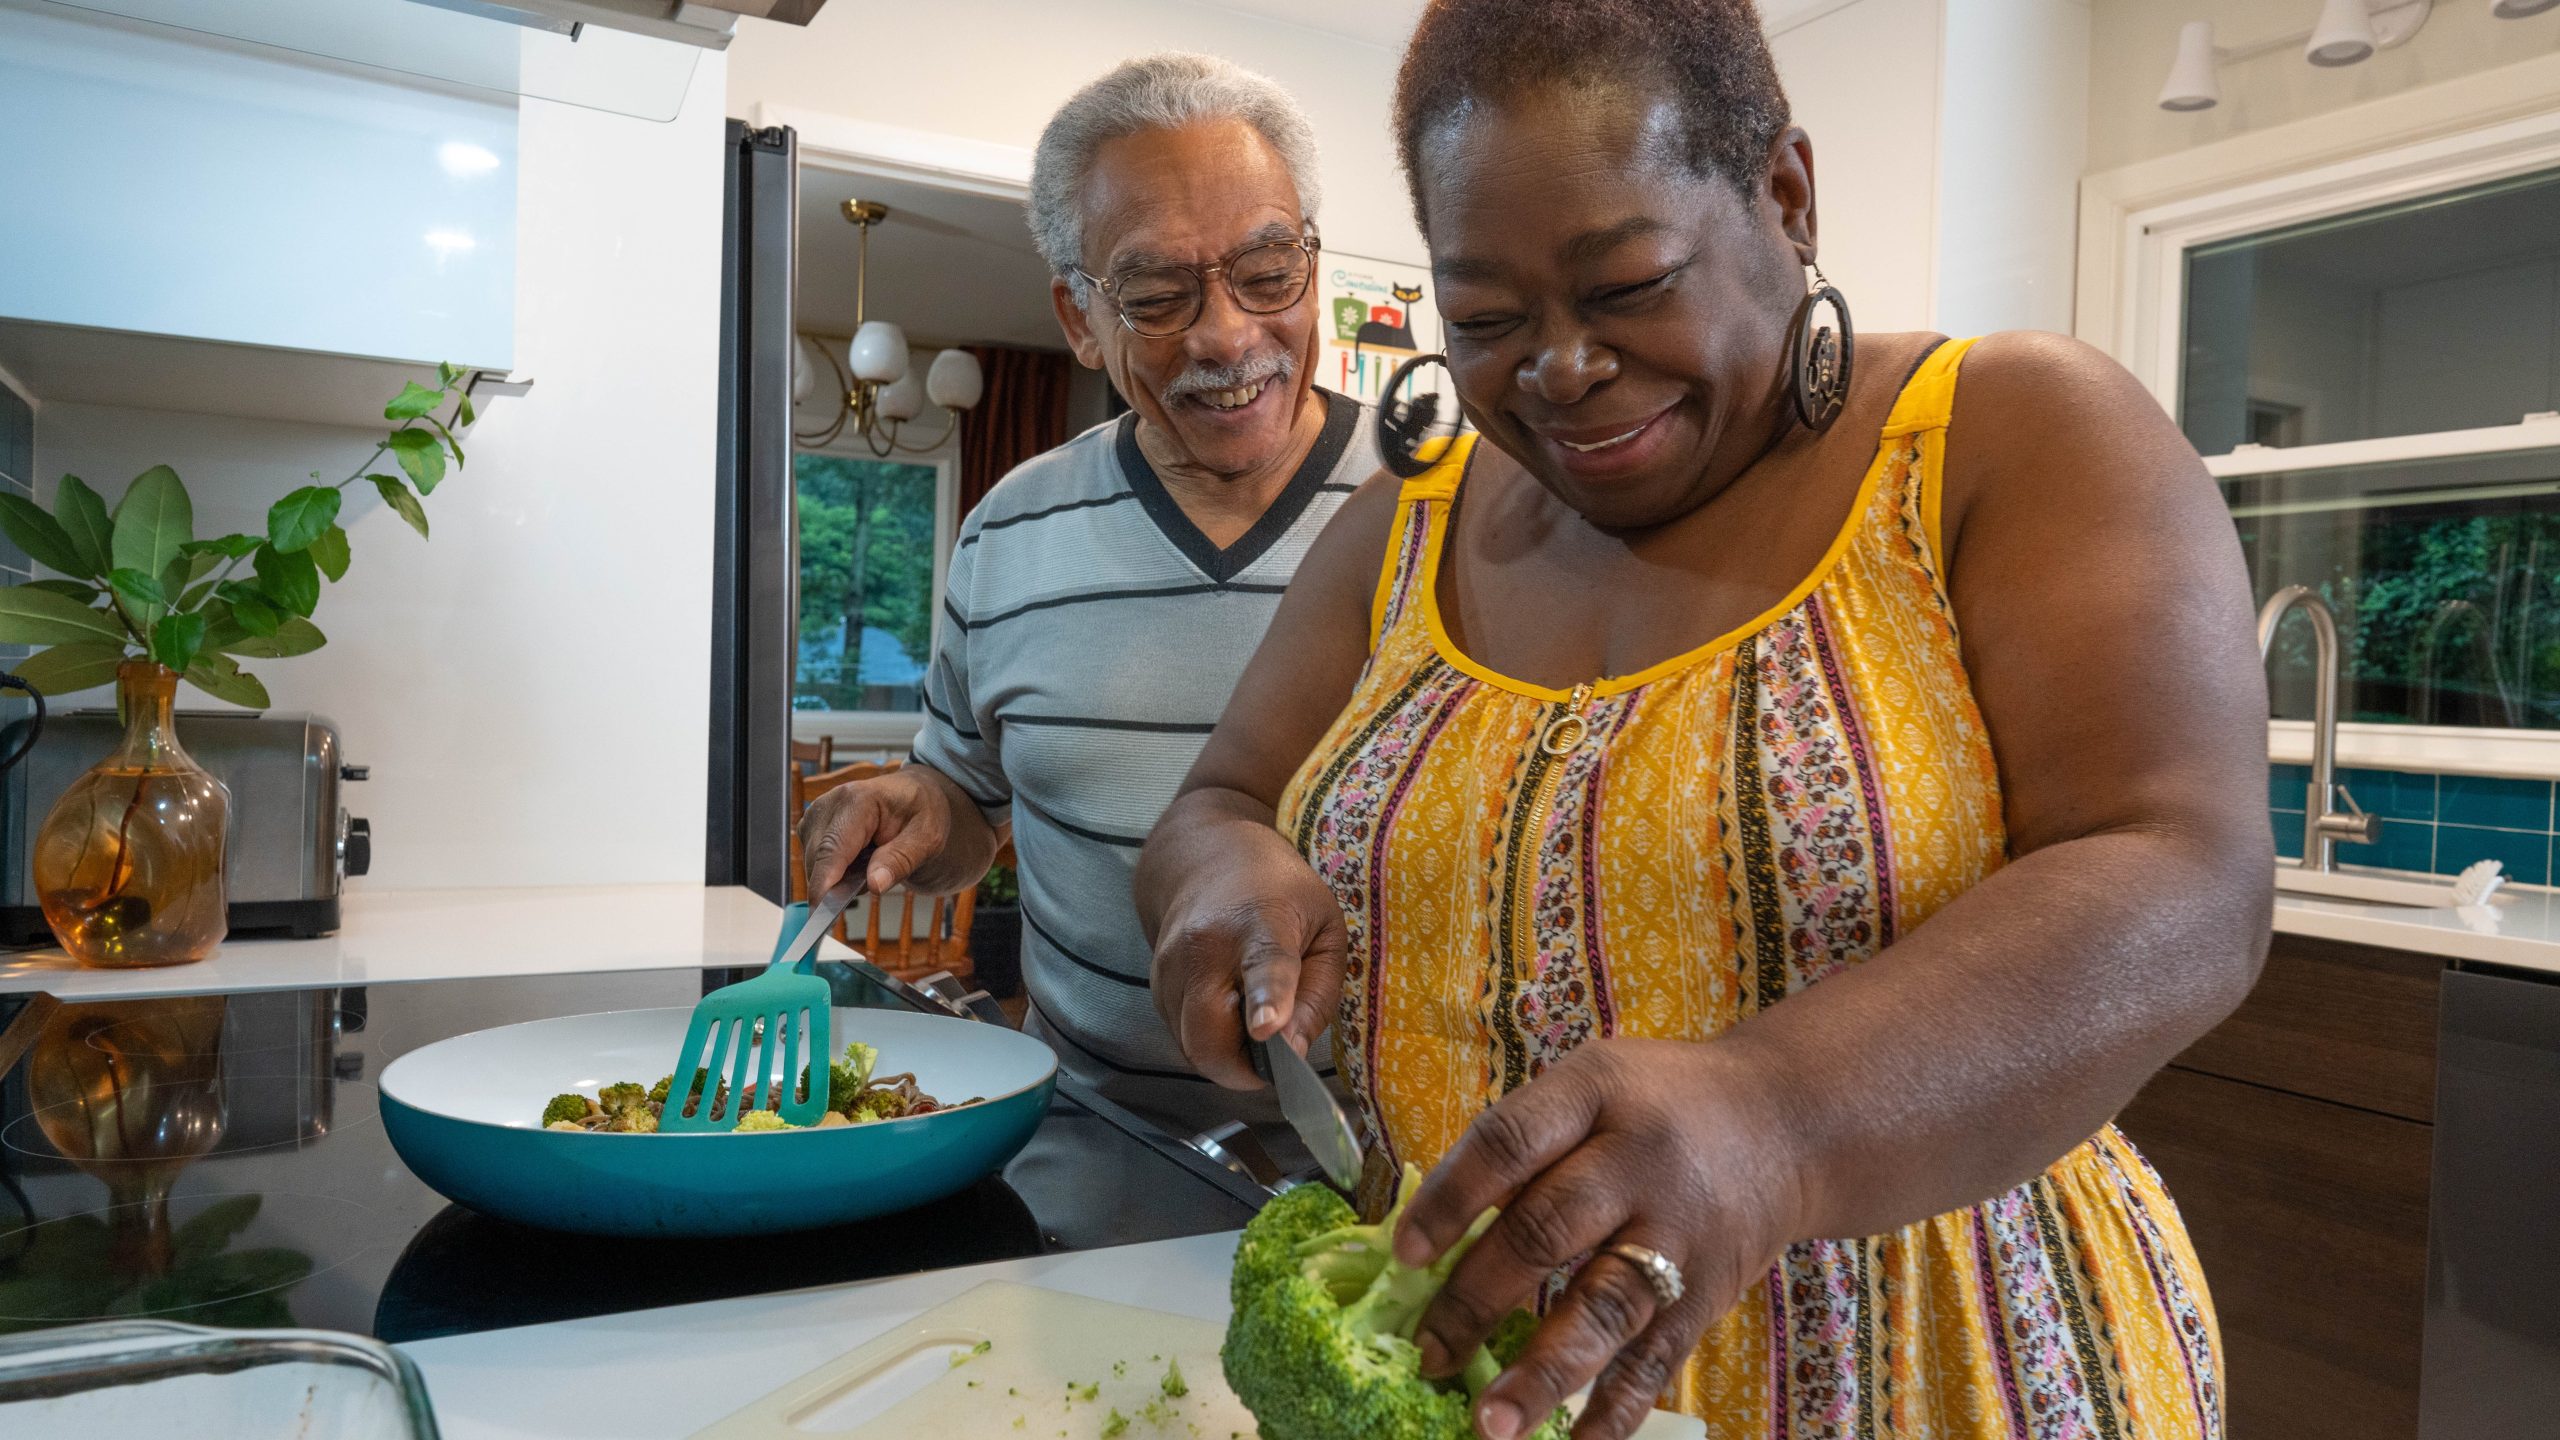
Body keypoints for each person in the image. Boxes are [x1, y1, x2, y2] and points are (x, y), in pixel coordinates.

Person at [1134, 3, 2271, 1438]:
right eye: (1486, 319)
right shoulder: (1400, 530)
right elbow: (1217, 801)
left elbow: (2186, 876)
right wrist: (1220, 873)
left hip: (1932, 1374)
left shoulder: (2006, 439)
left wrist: (1777, 1115)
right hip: (1467, 1388)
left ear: (1785, 196)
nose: (1556, 366)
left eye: (1627, 284)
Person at [798, 52, 1379, 1147]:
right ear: (1078, 317)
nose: (1223, 335)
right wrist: (923, 809)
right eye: (1156, 295)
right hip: (1097, 1144)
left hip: (1402, 1168)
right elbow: (969, 803)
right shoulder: (1009, 530)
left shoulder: (1461, 514)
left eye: (1267, 273)